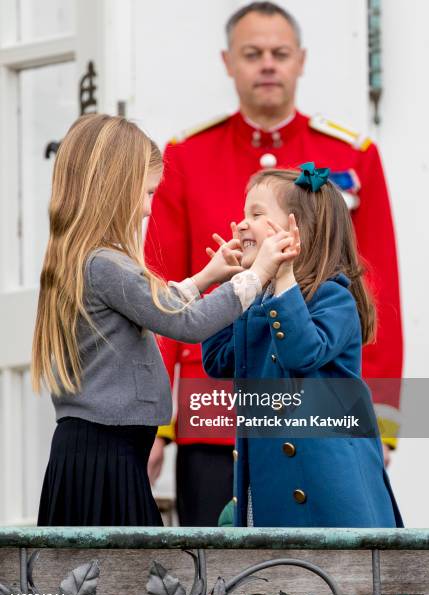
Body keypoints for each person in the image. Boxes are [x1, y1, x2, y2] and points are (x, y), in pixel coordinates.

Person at [145, 1, 403, 525]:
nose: (267, 64)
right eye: (253, 53)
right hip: (214, 414)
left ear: (301, 60)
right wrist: (155, 422)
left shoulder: (353, 155)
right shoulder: (186, 156)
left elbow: (377, 291)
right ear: (228, 62)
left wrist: (380, 419)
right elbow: (165, 293)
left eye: (279, 53)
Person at [31, 113, 294, 527]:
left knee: (96, 587)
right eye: (146, 193)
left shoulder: (92, 261)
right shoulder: (106, 265)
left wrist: (207, 277)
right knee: (120, 585)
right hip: (107, 454)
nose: (149, 208)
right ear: (115, 187)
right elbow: (184, 324)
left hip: (106, 451)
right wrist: (255, 275)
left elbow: (158, 305)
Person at [203, 164, 403, 527]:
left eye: (257, 214)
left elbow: (301, 353)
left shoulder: (334, 298)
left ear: (297, 231)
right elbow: (217, 360)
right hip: (271, 485)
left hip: (329, 491)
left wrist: (281, 276)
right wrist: (232, 284)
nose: (242, 223)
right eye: (243, 213)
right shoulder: (257, 302)